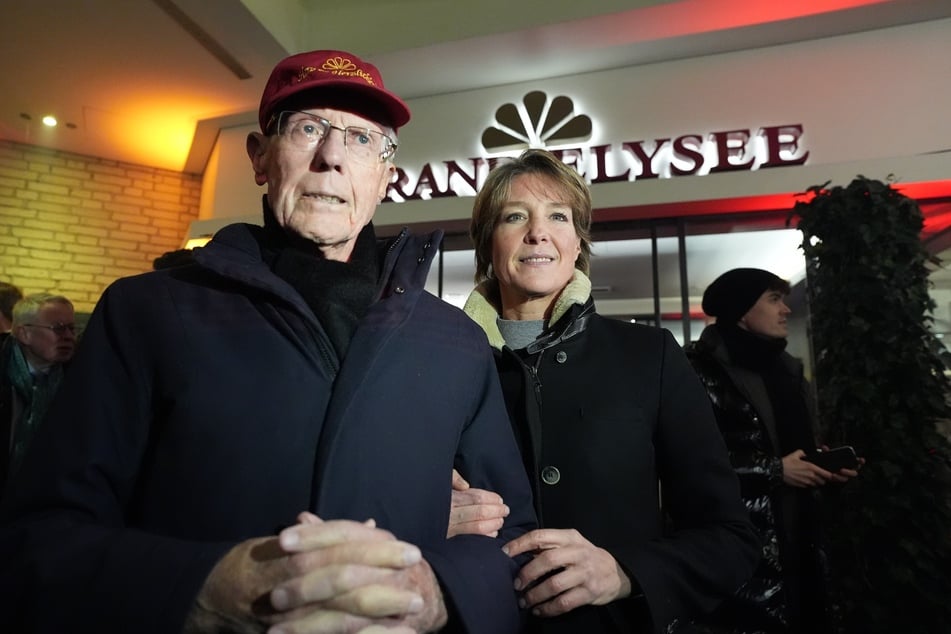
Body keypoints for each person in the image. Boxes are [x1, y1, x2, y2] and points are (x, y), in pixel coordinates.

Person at [0, 49, 535, 634]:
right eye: (309, 128)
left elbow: (510, 534)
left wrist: (438, 590)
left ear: (386, 176)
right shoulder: (146, 312)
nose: (332, 157)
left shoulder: (455, 340)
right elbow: (39, 539)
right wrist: (201, 587)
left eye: (361, 140)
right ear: (260, 157)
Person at [451, 148, 760, 633]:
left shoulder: (649, 355)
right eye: (515, 216)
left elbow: (730, 538)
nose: (538, 232)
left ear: (577, 244)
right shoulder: (440, 365)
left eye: (558, 216)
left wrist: (623, 573)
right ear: (488, 243)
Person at [682, 268, 862, 634]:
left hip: (803, 535)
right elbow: (686, 464)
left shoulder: (787, 370)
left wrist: (821, 466)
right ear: (742, 311)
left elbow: (793, 446)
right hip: (741, 548)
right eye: (774, 299)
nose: (786, 310)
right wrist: (775, 471)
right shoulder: (696, 372)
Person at [0, 292, 76, 494]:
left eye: (71, 328)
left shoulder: (80, 375)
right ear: (24, 333)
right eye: (58, 329)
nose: (69, 336)